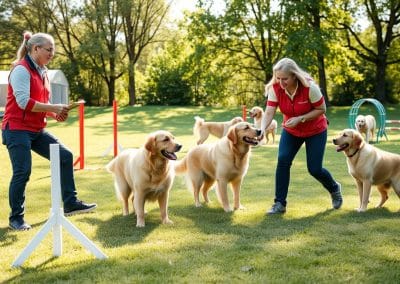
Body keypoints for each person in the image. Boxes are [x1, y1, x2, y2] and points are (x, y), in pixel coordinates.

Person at [2, 31, 97, 231]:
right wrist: (54, 108)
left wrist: (55, 114)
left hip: (36, 130)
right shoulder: (21, 70)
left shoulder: (43, 71)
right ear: (35, 49)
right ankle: (16, 218)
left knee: (65, 156)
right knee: (23, 171)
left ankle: (70, 203)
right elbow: (23, 102)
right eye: (49, 49)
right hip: (16, 129)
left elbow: (43, 103)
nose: (52, 53)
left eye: (53, 50)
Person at [260, 57, 342, 214]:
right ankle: (279, 204)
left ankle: (334, 188)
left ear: (294, 76)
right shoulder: (275, 88)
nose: (281, 82)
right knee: (283, 160)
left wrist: (300, 118)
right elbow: (270, 111)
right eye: (278, 78)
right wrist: (263, 129)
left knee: (314, 169)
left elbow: (322, 109)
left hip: (315, 130)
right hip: (291, 131)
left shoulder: (310, 87)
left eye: (285, 79)